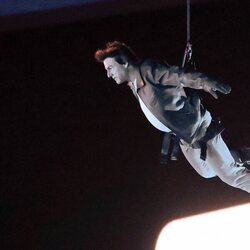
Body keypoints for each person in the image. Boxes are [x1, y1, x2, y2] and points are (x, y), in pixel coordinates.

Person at [94, 41, 250, 194]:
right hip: (185, 137)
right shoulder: (135, 85)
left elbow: (178, 76)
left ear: (124, 63)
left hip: (199, 130)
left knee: (231, 175)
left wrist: (205, 82)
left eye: (110, 68)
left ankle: (231, 161)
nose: (108, 74)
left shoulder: (148, 70)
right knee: (208, 171)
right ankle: (241, 155)